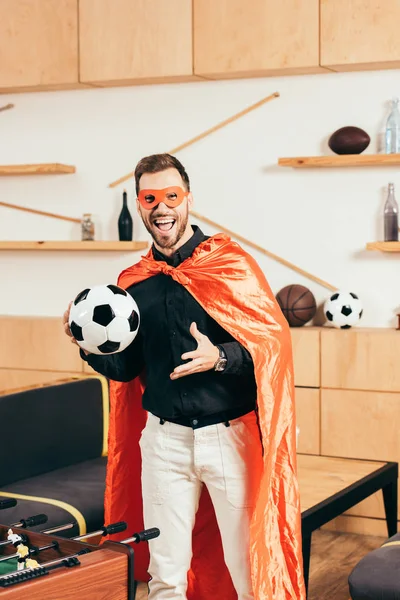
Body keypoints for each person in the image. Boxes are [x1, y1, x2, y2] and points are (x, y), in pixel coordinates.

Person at [63, 153, 305, 600]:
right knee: (166, 577)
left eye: (171, 196)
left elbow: (272, 347)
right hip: (164, 443)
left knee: (250, 569)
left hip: (229, 438)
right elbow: (127, 370)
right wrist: (88, 344)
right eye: (150, 198)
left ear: (187, 199)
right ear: (140, 205)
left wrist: (221, 358)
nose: (162, 208)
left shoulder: (230, 265)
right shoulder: (132, 283)